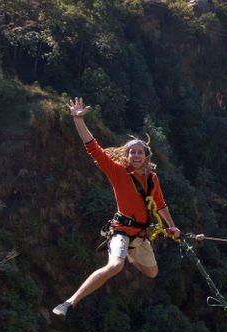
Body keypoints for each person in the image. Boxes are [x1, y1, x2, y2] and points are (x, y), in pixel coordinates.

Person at [52, 97, 181, 317]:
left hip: (140, 234)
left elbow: (159, 204)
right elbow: (93, 148)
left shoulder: (152, 179)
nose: (137, 155)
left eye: (140, 152)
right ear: (127, 155)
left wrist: (172, 226)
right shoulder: (118, 172)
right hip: (121, 230)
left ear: (146, 156)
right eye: (133, 152)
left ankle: (130, 254)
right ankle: (69, 302)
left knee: (152, 272)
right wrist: (78, 119)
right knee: (115, 267)